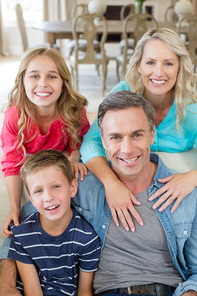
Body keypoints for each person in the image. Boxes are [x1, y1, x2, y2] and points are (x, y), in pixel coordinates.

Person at [1, 91, 197, 296]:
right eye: (116, 137)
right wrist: (6, 284)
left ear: (152, 134)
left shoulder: (183, 191)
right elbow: (20, 225)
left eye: (137, 134)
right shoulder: (83, 186)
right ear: (103, 141)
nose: (127, 149)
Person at [79, 28, 197, 232]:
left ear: (179, 67)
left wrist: (192, 177)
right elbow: (92, 141)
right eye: (150, 62)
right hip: (125, 174)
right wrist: (110, 183)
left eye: (168, 63)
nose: (159, 72)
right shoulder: (124, 92)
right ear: (139, 66)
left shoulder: (192, 105)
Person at [1, 47, 90, 239]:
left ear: (63, 82)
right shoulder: (14, 117)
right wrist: (14, 207)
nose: (43, 84)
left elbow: (81, 137)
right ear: (22, 80)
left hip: (61, 154)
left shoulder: (73, 110)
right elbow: (11, 163)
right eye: (34, 76)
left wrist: (74, 157)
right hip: (29, 158)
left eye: (52, 77)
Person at [7, 149, 101, 296]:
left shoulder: (87, 239)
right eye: (38, 191)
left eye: (55, 186)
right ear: (31, 199)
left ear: (72, 188)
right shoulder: (21, 233)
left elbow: (85, 291)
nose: (48, 197)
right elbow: (32, 291)